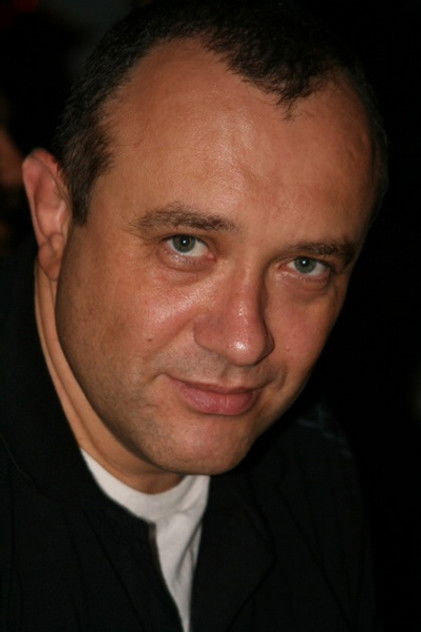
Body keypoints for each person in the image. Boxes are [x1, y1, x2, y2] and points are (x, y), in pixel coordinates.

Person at [0, 1, 387, 630]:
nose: (244, 342)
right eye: (186, 244)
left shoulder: (316, 467)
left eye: (306, 265)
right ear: (55, 216)